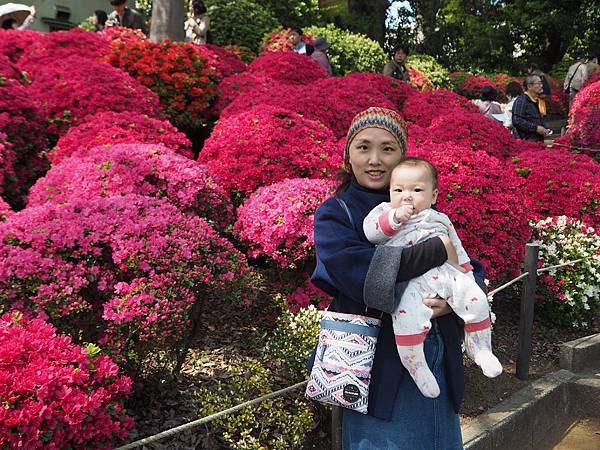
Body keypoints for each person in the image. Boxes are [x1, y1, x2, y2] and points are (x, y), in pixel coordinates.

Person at [310, 107, 487, 449]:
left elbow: (467, 265)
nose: (375, 159)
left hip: (438, 357)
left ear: (402, 155)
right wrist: (438, 250)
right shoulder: (336, 213)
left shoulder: (418, 202)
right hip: (378, 369)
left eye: (387, 149)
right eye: (363, 147)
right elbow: (361, 275)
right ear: (348, 155)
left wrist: (456, 298)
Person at [363, 156, 501, 398]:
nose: (406, 196)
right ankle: (417, 366)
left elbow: (456, 249)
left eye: (417, 190)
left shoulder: (439, 218)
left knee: (476, 300)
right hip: (410, 283)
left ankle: (479, 348)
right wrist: (395, 219)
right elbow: (372, 233)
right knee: (407, 320)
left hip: (445, 274)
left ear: (434, 196)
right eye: (398, 190)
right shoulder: (385, 211)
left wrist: (467, 277)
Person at [512, 75, 552, 142]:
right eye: (538, 83)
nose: (541, 86)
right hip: (527, 142)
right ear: (529, 86)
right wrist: (536, 128)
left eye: (541, 83)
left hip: (537, 141)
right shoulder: (522, 100)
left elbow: (536, 119)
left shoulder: (535, 100)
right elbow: (517, 120)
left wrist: (545, 129)